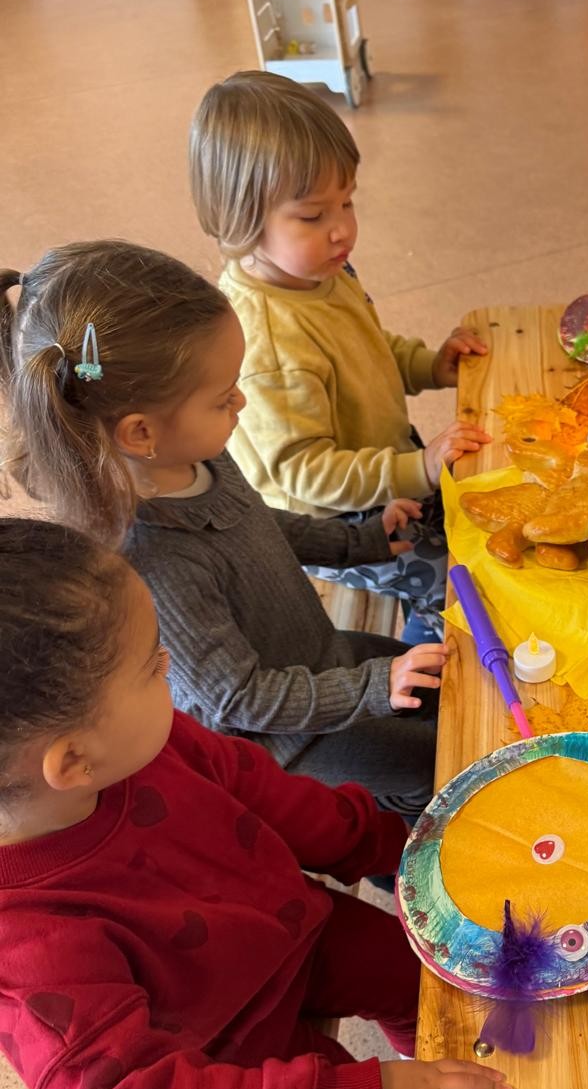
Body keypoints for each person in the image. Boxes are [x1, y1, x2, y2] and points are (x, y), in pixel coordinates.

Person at [0, 520, 517, 1089]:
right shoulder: (28, 943)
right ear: (71, 762)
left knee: (407, 960)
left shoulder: (141, 741)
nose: (173, 675)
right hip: (226, 1052)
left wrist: (394, 848)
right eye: (153, 669)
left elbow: (265, 794)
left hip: (287, 925)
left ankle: (453, 1083)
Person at [0, 244, 445, 818]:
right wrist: (371, 687)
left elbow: (259, 523)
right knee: (428, 769)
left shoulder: (197, 455)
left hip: (319, 657)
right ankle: (403, 866)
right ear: (140, 432)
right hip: (285, 744)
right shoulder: (154, 557)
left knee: (443, 688)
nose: (240, 400)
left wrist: (361, 543)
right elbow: (238, 697)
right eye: (221, 397)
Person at [189, 69, 491, 641]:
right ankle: (429, 691)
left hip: (382, 462)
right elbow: (304, 473)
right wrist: (419, 471)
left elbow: (368, 347)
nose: (341, 230)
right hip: (335, 519)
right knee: (456, 584)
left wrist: (431, 364)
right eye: (312, 216)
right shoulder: (268, 340)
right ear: (240, 220)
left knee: (485, 513)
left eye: (347, 203)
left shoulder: (320, 272)